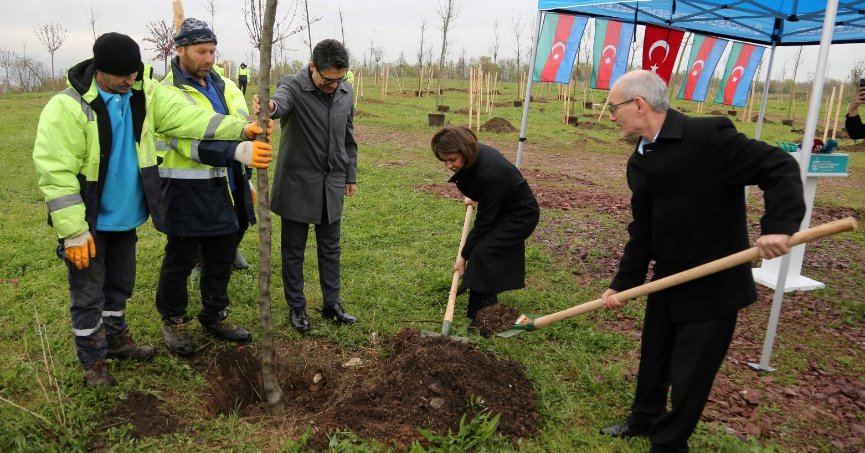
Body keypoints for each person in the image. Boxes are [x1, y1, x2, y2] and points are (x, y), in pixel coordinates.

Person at [32, 32, 268, 386]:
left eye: (134, 73)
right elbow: (56, 173)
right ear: (100, 70)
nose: (131, 80)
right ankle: (93, 361)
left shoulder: (145, 92)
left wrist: (241, 129)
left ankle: (115, 340)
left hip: (125, 218)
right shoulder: (67, 107)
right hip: (88, 221)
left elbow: (189, 119)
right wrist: (73, 232)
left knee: (120, 285)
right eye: (122, 76)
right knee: (88, 293)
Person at [597, 70, 806, 452]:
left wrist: (779, 225)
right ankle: (645, 417)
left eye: (614, 108)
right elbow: (642, 230)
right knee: (655, 356)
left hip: (715, 284)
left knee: (691, 374)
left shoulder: (707, 138)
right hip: (668, 278)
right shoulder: (641, 159)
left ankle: (669, 443)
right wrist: (624, 284)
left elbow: (778, 167)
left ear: (639, 105)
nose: (611, 116)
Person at [154, 18, 272, 356]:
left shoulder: (226, 85)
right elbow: (187, 139)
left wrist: (259, 129)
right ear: (180, 50)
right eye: (201, 51)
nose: (209, 58)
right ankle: (174, 320)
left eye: (212, 51)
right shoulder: (168, 93)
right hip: (185, 189)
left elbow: (245, 122)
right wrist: (239, 144)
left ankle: (214, 314)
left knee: (222, 254)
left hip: (229, 185)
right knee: (181, 257)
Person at [253, 39, 358, 335]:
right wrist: (269, 107)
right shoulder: (294, 86)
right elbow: (279, 103)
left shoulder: (346, 93)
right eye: (328, 79)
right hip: (297, 184)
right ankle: (296, 307)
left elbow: (348, 138)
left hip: (332, 183)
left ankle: (331, 303)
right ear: (313, 67)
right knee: (294, 251)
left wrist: (350, 175)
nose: (334, 85)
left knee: (330, 247)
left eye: (341, 79)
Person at [430, 126, 540, 320]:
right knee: (485, 253)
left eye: (452, 160)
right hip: (502, 207)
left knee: (483, 253)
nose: (448, 166)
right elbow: (483, 187)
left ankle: (483, 312)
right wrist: (475, 196)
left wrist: (463, 257)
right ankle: (486, 308)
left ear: (465, 151)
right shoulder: (476, 157)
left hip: (520, 216)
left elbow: (484, 223)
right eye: (444, 161)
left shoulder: (490, 172)